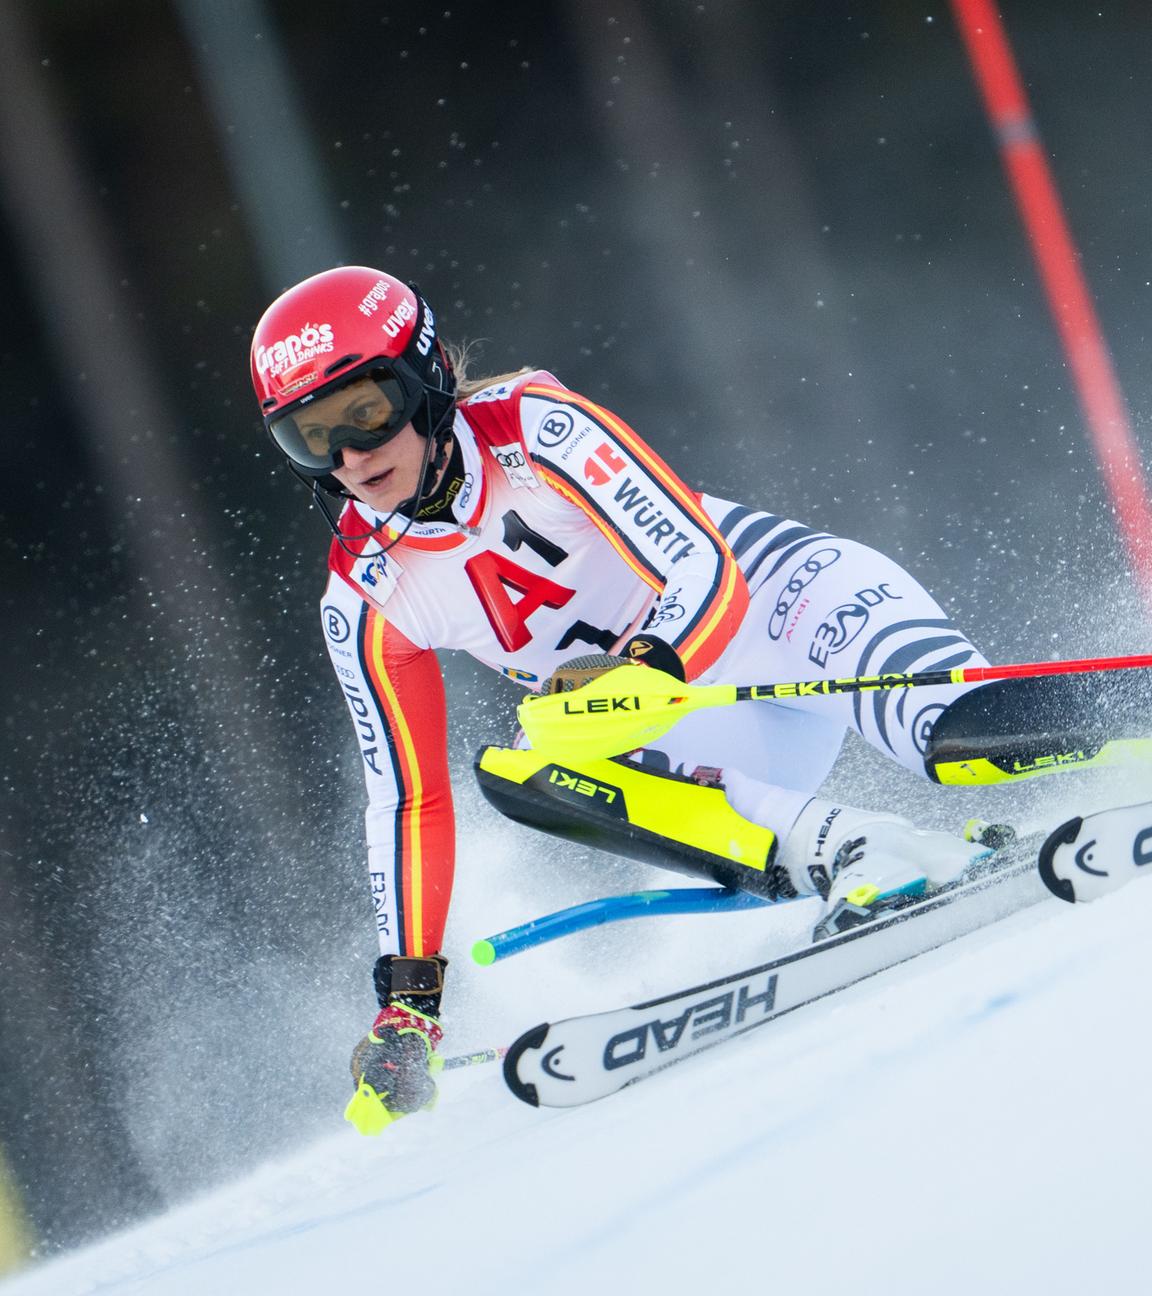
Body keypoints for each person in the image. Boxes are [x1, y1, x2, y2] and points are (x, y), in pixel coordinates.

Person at [249, 265, 1127, 1130]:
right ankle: (867, 852)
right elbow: (407, 800)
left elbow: (703, 563)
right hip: (702, 727)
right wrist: (409, 1004)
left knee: (967, 741)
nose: (352, 459)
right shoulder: (363, 594)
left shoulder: (534, 429)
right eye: (311, 438)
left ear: (426, 378)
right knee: (525, 769)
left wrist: (649, 669)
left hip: (787, 609)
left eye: (365, 413)